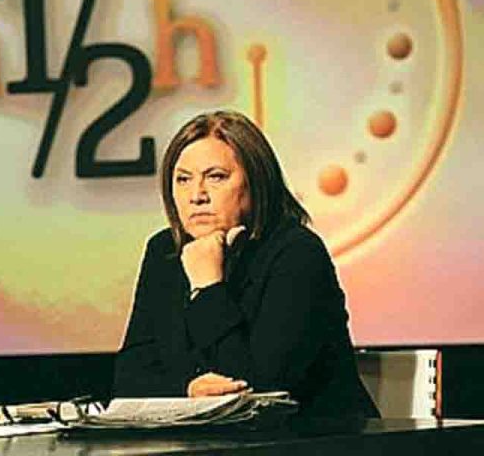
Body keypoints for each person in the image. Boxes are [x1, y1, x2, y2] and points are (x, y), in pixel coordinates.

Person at [113, 110, 379, 417]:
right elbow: (129, 378)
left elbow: (261, 387)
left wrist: (208, 287)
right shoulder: (164, 251)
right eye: (183, 179)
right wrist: (189, 388)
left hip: (313, 435)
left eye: (216, 177)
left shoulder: (297, 252)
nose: (196, 196)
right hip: (206, 438)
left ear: (255, 180)